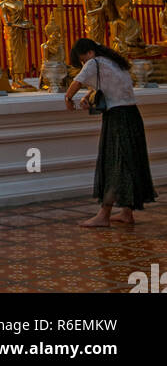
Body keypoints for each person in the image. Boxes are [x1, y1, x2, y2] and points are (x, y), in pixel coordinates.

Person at [65, 37, 156, 228]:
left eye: (82, 59)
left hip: (117, 119)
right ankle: (126, 212)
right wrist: (89, 96)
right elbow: (107, 86)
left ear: (89, 53)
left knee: (114, 163)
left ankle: (104, 214)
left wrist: (68, 98)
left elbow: (77, 82)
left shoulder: (94, 62)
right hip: (132, 115)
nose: (84, 63)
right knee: (128, 163)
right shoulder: (115, 62)